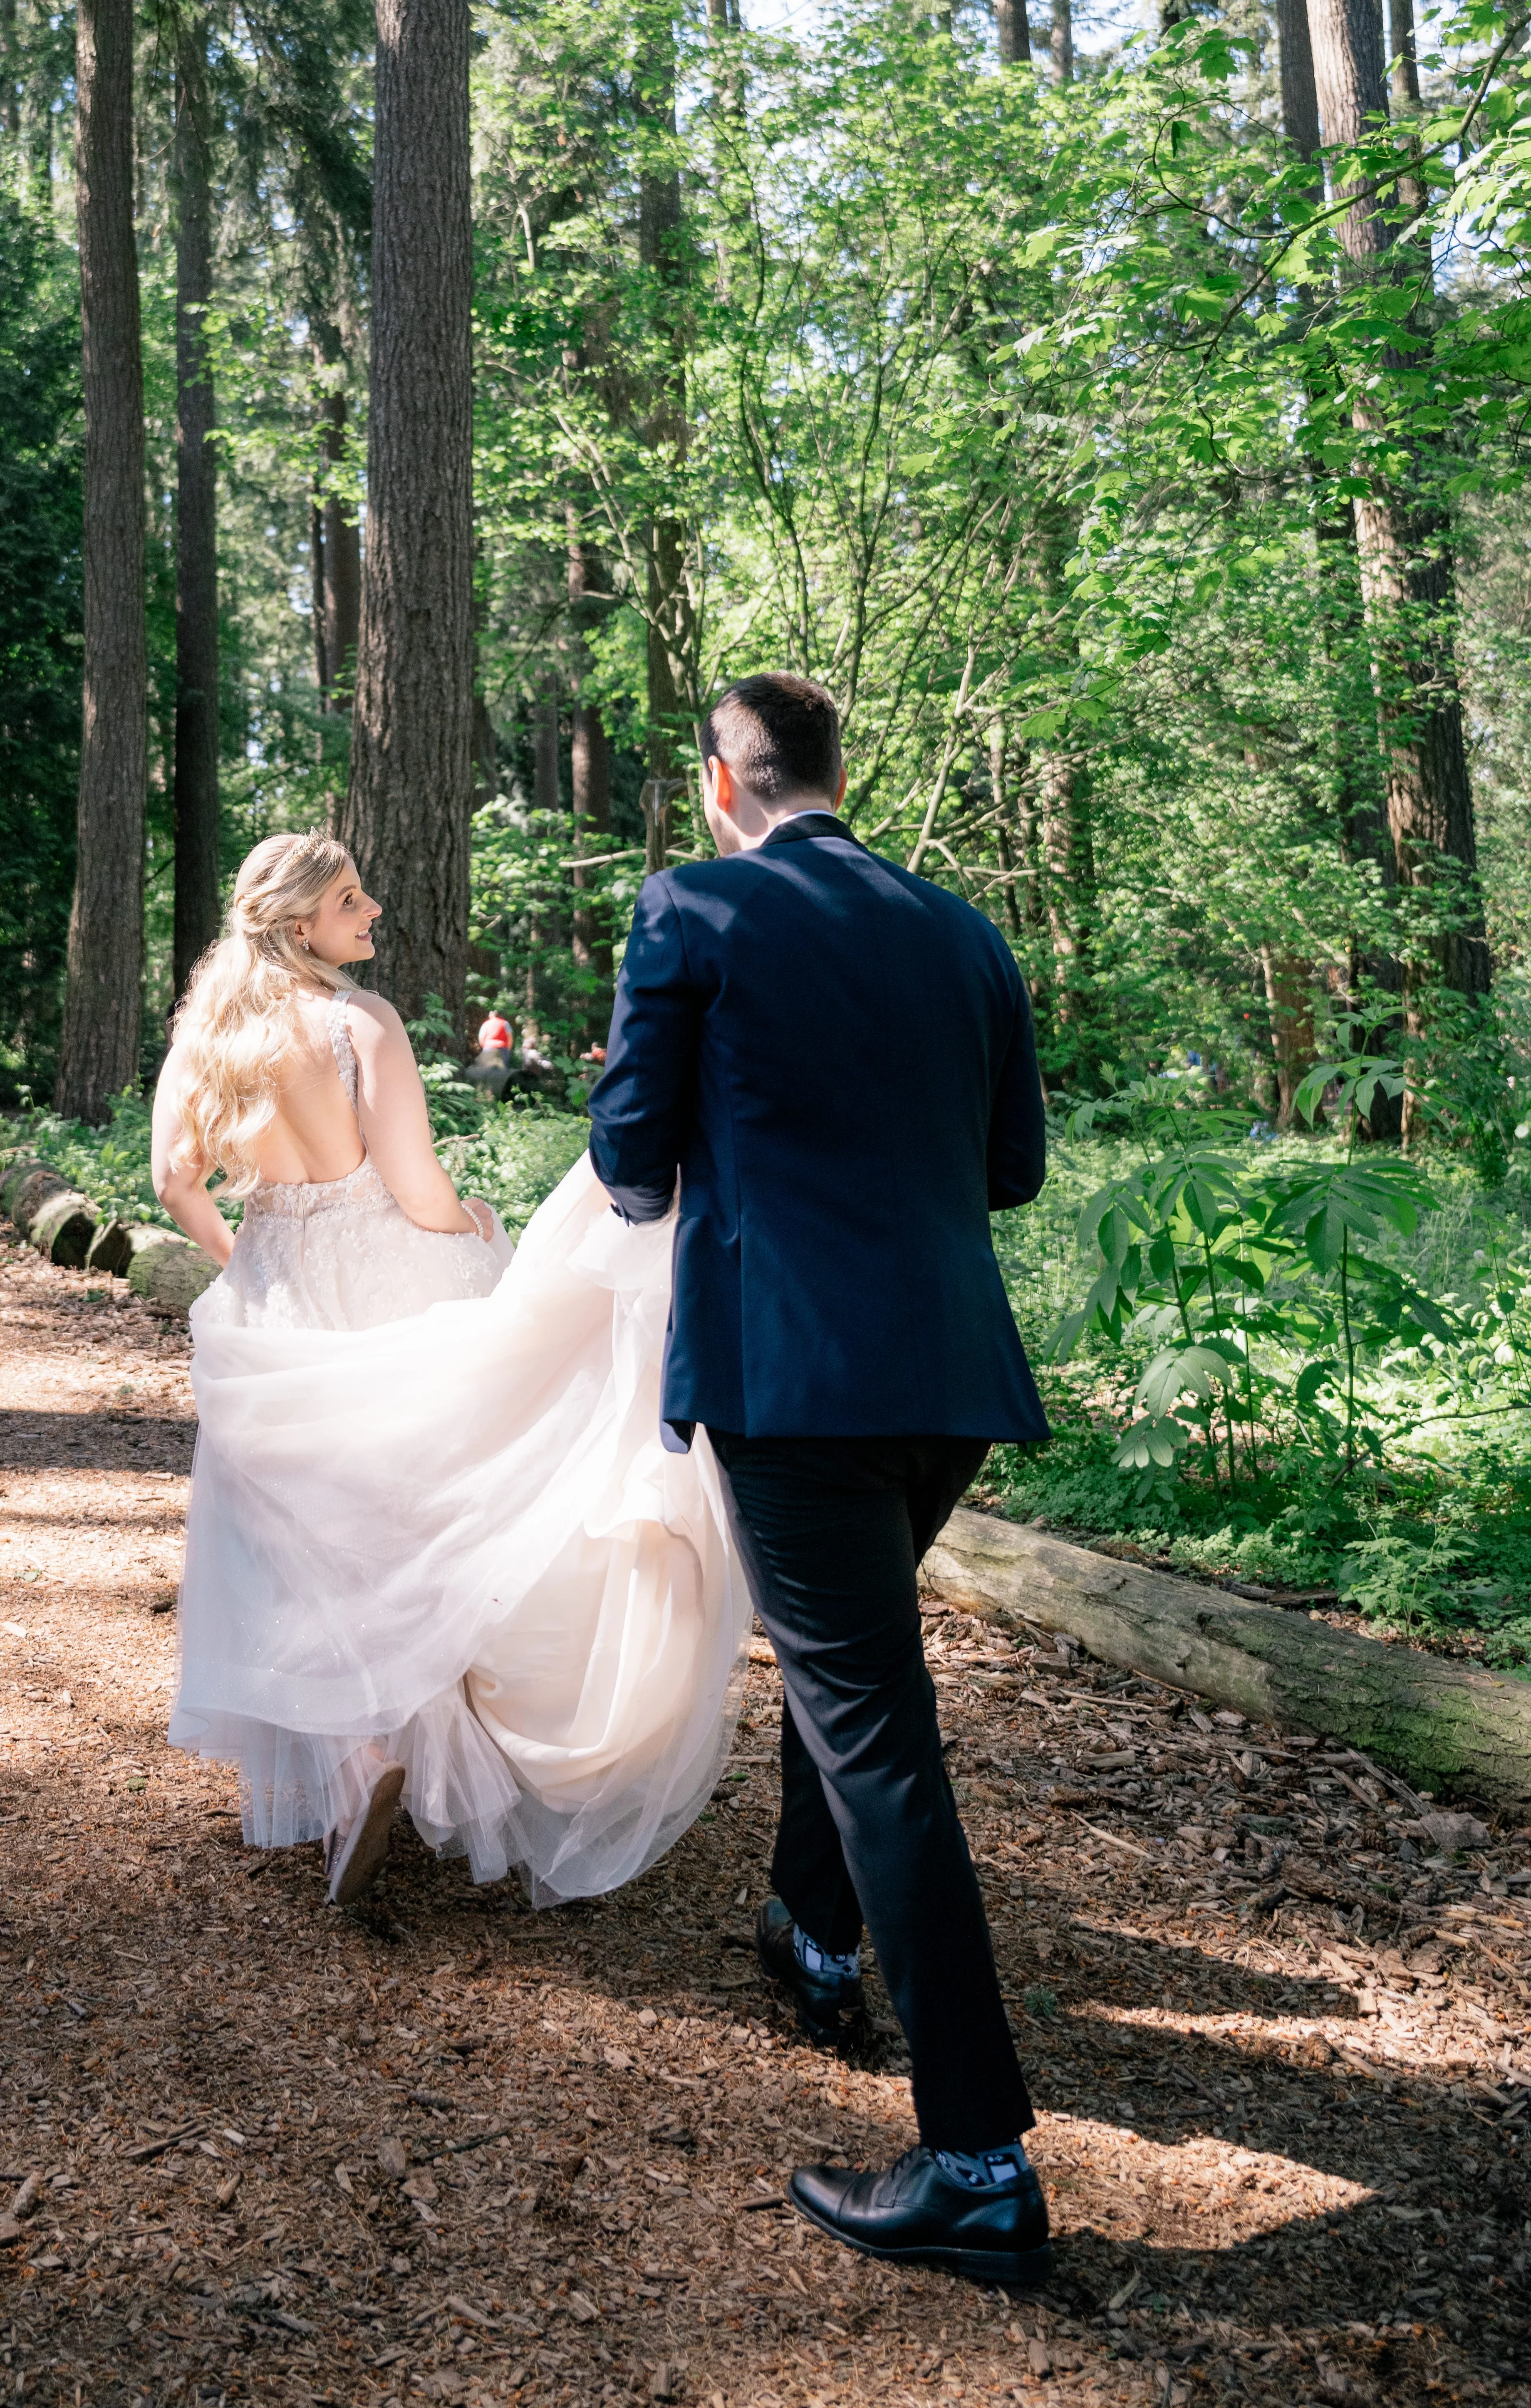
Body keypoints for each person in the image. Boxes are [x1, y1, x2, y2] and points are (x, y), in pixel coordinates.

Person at [587, 673, 1054, 2289]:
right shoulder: (964, 933)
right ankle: (810, 1934)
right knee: (848, 1670)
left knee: (875, 1726)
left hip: (792, 1382)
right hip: (951, 1381)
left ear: (724, 781)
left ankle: (978, 2160)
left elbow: (630, 1157)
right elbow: (1010, 1170)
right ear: (834, 775)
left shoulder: (693, 906)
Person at [156, 830, 749, 1907]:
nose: (372, 907)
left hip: (274, 1283)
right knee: (416, 1509)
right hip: (384, 1273)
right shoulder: (358, 1025)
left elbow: (174, 1178)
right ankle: (404, 1738)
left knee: (291, 1528)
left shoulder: (210, 1031)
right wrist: (476, 1221)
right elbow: (417, 1185)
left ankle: (352, 1767)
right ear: (301, 925)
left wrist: (246, 1264)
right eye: (350, 899)